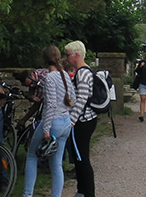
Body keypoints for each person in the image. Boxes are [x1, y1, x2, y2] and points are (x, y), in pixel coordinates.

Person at [23, 45, 74, 197]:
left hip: (53, 122)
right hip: (65, 123)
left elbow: (50, 104)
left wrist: (46, 129)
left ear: (44, 59)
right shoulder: (64, 75)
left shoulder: (50, 78)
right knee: (57, 164)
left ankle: (27, 194)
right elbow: (73, 99)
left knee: (32, 156)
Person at [65, 40, 97, 197]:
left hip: (84, 120)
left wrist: (72, 121)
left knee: (82, 158)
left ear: (76, 55)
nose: (66, 58)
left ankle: (87, 193)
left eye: (68, 55)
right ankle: (82, 191)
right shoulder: (83, 71)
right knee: (79, 157)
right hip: (84, 119)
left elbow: (82, 98)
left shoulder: (83, 73)